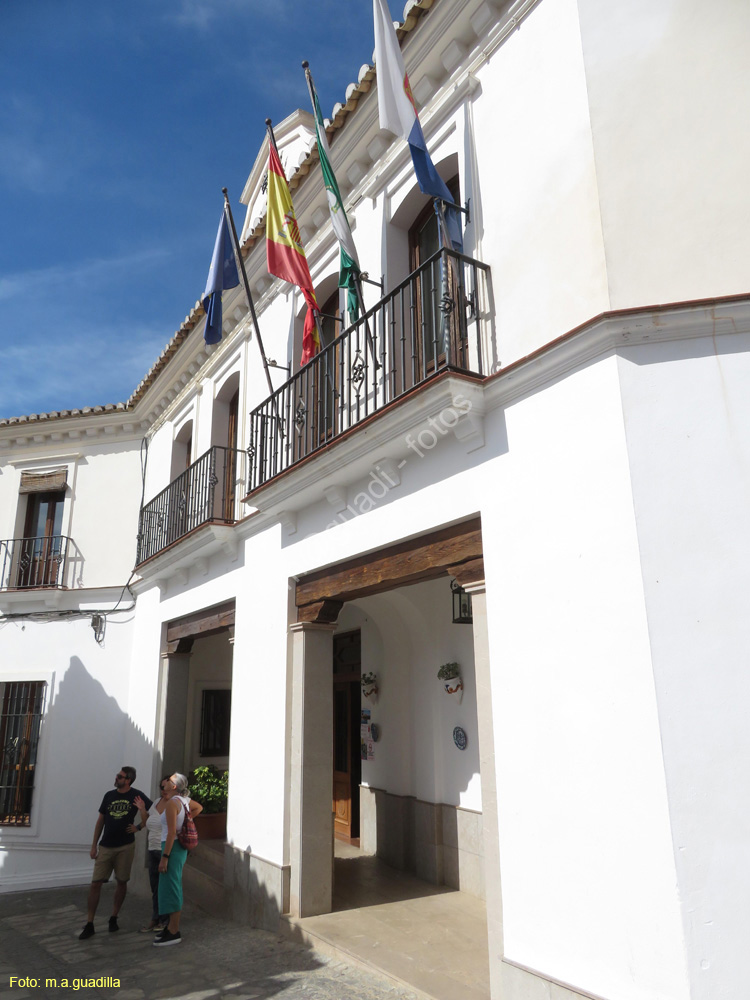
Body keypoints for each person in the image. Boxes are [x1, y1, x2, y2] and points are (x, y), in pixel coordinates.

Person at [78, 766, 152, 940]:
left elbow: (150, 814)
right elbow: (100, 821)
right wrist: (94, 845)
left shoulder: (136, 795)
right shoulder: (109, 795)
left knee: (121, 881)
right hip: (106, 846)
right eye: (117, 775)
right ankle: (89, 923)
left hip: (125, 847)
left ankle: (114, 917)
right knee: (96, 883)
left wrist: (138, 827)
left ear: (128, 780)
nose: (116, 778)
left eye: (120, 776)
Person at [153, 772, 202, 947]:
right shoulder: (182, 801)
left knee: (172, 887)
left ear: (174, 786)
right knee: (169, 886)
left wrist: (164, 857)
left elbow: (172, 832)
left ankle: (174, 930)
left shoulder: (173, 803)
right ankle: (170, 927)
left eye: (170, 780)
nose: (165, 782)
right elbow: (196, 809)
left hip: (172, 847)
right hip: (175, 847)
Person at [131, 776, 171, 933]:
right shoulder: (156, 802)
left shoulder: (175, 804)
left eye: (166, 786)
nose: (163, 790)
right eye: (161, 787)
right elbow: (147, 822)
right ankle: (156, 917)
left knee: (164, 886)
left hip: (164, 849)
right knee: (155, 887)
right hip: (152, 848)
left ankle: (166, 920)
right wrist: (142, 808)